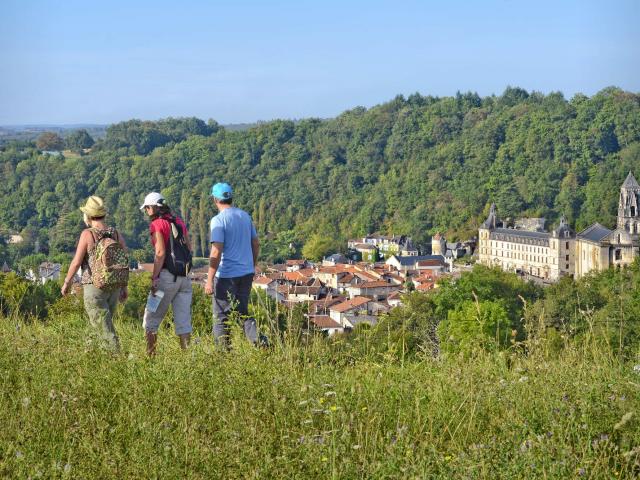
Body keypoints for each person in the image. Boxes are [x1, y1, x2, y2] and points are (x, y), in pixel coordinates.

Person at [61, 196, 128, 351]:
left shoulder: (88, 234)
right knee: (101, 325)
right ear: (103, 214)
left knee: (104, 330)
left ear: (88, 216)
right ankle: (93, 357)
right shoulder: (115, 233)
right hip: (114, 286)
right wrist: (124, 286)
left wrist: (67, 283)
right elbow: (124, 260)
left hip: (94, 286)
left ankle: (116, 359)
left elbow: (76, 262)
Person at [205, 183, 260, 347]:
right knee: (242, 312)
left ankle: (223, 354)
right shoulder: (245, 216)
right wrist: (252, 265)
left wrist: (209, 280)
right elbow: (256, 244)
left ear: (215, 199)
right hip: (246, 273)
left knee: (221, 316)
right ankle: (257, 341)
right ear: (230, 197)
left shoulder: (218, 220)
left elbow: (216, 251)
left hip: (226, 275)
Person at [140, 192, 193, 355]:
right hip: (184, 279)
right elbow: (189, 248)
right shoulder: (178, 222)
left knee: (150, 320)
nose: (146, 211)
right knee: (183, 322)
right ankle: (187, 359)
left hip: (166, 278)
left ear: (154, 208)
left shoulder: (157, 224)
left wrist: (155, 278)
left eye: (147, 208)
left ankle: (150, 358)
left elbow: (160, 252)